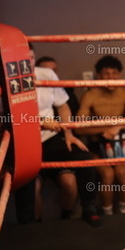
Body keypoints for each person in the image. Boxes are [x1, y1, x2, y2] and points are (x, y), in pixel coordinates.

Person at [33, 50, 102, 227]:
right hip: (27, 144)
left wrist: (68, 134)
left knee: (84, 160)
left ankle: (88, 208)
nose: (28, 61)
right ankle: (34, 228)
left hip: (51, 139)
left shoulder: (47, 76)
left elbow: (63, 106)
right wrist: (40, 122)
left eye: (31, 57)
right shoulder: (11, 79)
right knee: (33, 189)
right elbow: (7, 117)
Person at [76, 55, 125, 215]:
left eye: (114, 73)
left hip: (120, 146)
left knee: (122, 173)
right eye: (106, 73)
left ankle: (124, 213)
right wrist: (104, 130)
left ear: (120, 74)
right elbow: (78, 128)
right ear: (98, 75)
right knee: (108, 175)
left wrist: (118, 126)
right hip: (97, 146)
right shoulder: (90, 95)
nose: (111, 77)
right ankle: (108, 214)